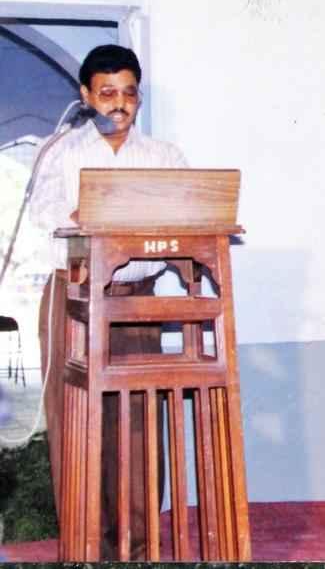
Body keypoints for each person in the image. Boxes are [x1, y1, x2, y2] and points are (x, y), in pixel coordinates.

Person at [30, 44, 187, 559]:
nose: (119, 104)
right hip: (74, 296)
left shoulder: (164, 158)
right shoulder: (57, 152)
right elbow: (48, 221)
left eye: (128, 94)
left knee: (137, 426)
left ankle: (138, 550)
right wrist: (105, 214)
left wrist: (111, 217)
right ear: (85, 96)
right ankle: (84, 547)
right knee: (75, 423)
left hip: (136, 303)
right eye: (106, 93)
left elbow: (183, 221)